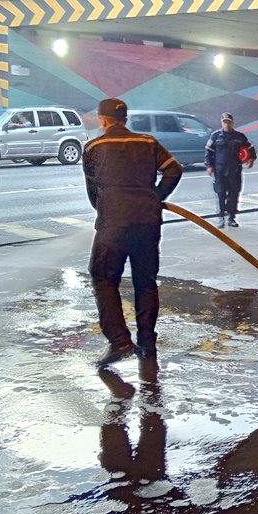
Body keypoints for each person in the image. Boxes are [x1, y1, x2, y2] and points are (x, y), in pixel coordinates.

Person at [83, 98, 182, 367]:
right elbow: (174, 170)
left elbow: (93, 191)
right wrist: (155, 197)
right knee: (145, 282)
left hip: (112, 225)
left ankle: (119, 341)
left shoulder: (93, 147)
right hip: (147, 223)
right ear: (125, 119)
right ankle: (147, 344)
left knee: (103, 276)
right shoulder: (148, 143)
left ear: (103, 120)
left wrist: (107, 209)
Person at [205, 112, 256, 228]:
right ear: (221, 123)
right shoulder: (215, 136)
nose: (227, 124)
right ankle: (221, 218)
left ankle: (232, 218)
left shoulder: (240, 136)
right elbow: (208, 152)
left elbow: (250, 148)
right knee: (221, 194)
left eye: (229, 122)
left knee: (234, 195)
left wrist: (251, 158)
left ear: (233, 123)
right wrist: (209, 166)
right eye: (224, 122)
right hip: (220, 171)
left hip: (235, 170)